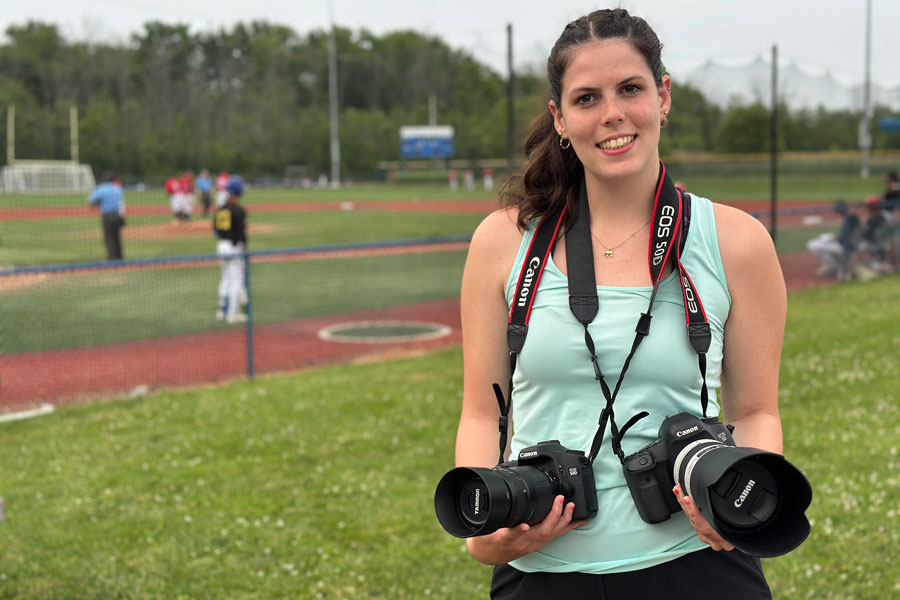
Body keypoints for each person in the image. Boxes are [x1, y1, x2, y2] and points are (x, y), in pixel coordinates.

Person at [454, 9, 785, 599]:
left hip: (698, 564)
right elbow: (484, 411)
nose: (612, 114)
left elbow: (756, 410)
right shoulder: (504, 242)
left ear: (662, 97)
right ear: (560, 118)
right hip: (540, 569)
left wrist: (734, 508)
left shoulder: (735, 242)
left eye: (630, 89)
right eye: (586, 98)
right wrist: (481, 530)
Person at [214, 176, 248, 324]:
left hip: (221, 246)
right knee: (236, 280)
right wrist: (244, 249)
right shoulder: (239, 210)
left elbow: (215, 230)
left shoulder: (220, 208)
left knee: (225, 278)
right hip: (234, 247)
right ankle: (232, 314)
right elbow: (242, 234)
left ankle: (222, 310)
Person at [87, 171, 126, 260]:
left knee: (109, 237)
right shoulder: (118, 188)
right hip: (118, 215)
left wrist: (98, 204)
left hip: (107, 216)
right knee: (117, 237)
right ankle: (120, 257)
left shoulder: (101, 188)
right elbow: (121, 203)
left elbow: (90, 201)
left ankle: (112, 258)